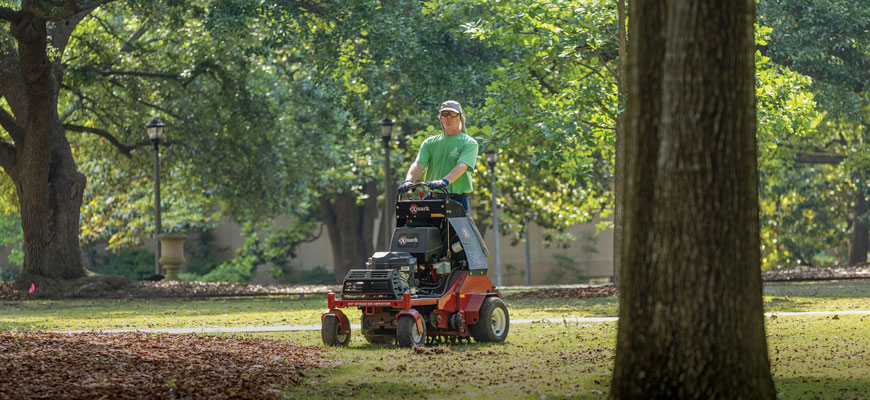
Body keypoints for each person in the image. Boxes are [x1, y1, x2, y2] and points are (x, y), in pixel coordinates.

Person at [398, 100, 479, 212]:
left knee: (457, 230)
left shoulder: (469, 143)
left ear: (460, 117)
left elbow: (462, 166)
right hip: (432, 200)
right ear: (440, 118)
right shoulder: (430, 143)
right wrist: (409, 180)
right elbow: (419, 164)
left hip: (457, 200)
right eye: (445, 114)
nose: (448, 117)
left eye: (453, 114)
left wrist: (444, 181)